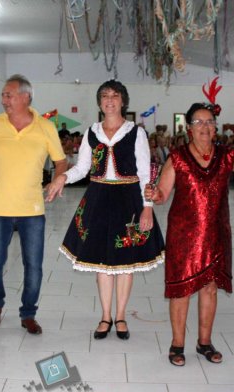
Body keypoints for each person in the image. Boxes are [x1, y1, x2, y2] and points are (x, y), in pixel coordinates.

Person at [145, 102, 234, 366]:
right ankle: (177, 344)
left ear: (215, 127)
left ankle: (204, 343)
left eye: (209, 122)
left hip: (216, 233)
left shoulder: (227, 156)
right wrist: (153, 194)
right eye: (199, 122)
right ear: (189, 128)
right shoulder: (178, 157)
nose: (205, 127)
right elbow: (162, 195)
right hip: (183, 235)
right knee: (181, 290)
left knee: (210, 288)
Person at [46, 80, 165, 340]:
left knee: (125, 263)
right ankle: (105, 316)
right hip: (98, 199)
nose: (109, 100)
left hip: (129, 200)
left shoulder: (136, 133)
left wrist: (147, 208)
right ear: (100, 102)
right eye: (104, 96)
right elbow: (82, 168)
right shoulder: (92, 132)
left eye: (114, 95)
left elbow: (145, 174)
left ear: (123, 101)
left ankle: (120, 316)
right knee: (101, 262)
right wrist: (62, 177)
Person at [0, 74, 67, 335]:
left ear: (26, 97)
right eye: (3, 95)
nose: (4, 100)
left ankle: (28, 314)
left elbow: (61, 161)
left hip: (32, 210)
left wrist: (58, 179)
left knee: (33, 265)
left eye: (9, 95)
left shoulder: (45, 127)